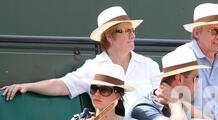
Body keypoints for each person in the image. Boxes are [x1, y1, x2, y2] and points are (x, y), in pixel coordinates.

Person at [1, 6, 161, 113]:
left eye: (132, 30)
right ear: (109, 36)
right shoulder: (94, 67)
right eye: (125, 31)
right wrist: (26, 86)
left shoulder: (148, 65)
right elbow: (61, 85)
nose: (132, 35)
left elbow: (160, 98)